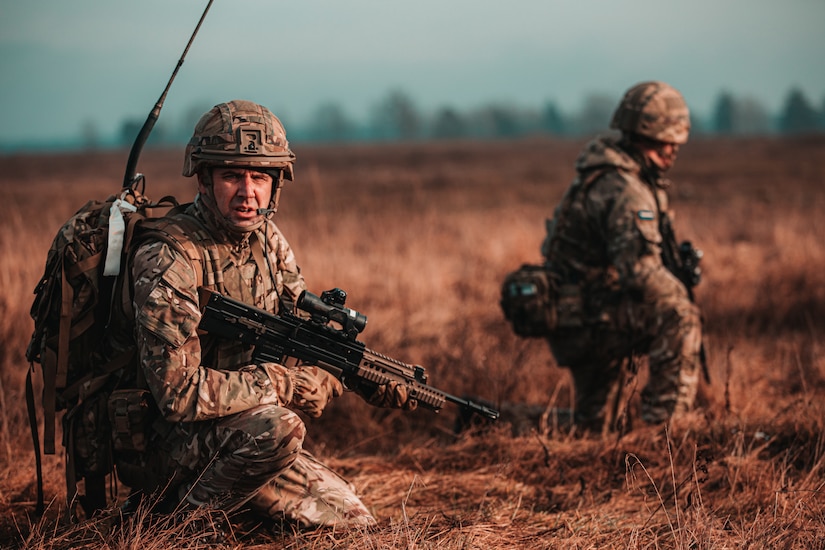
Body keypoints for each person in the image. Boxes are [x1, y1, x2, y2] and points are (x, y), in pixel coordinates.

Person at [116, 99, 415, 528]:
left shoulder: (268, 241)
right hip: (168, 443)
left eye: (260, 177)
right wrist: (282, 383)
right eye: (232, 175)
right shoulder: (170, 257)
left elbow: (303, 336)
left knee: (352, 518)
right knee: (281, 429)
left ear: (276, 184)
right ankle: (176, 524)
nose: (247, 191)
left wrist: (352, 378)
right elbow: (177, 394)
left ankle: (234, 511)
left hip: (243, 431)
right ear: (203, 179)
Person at [540, 81, 703, 432]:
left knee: (593, 429)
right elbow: (640, 273)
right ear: (653, 134)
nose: (674, 149)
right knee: (679, 317)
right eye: (669, 139)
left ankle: (485, 421)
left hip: (578, 314)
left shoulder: (610, 173)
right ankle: (663, 440)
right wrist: (680, 294)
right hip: (588, 317)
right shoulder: (626, 189)